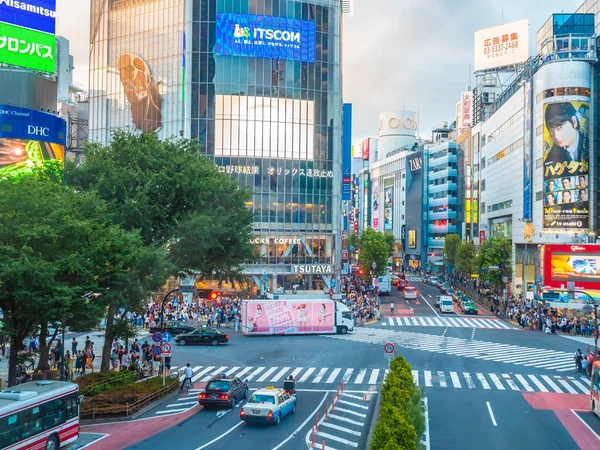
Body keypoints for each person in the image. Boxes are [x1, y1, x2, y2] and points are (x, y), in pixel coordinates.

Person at [545, 102, 589, 168]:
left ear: (574, 121)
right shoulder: (553, 155)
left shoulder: (589, 142)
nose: (556, 136)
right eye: (551, 131)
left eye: (559, 128)